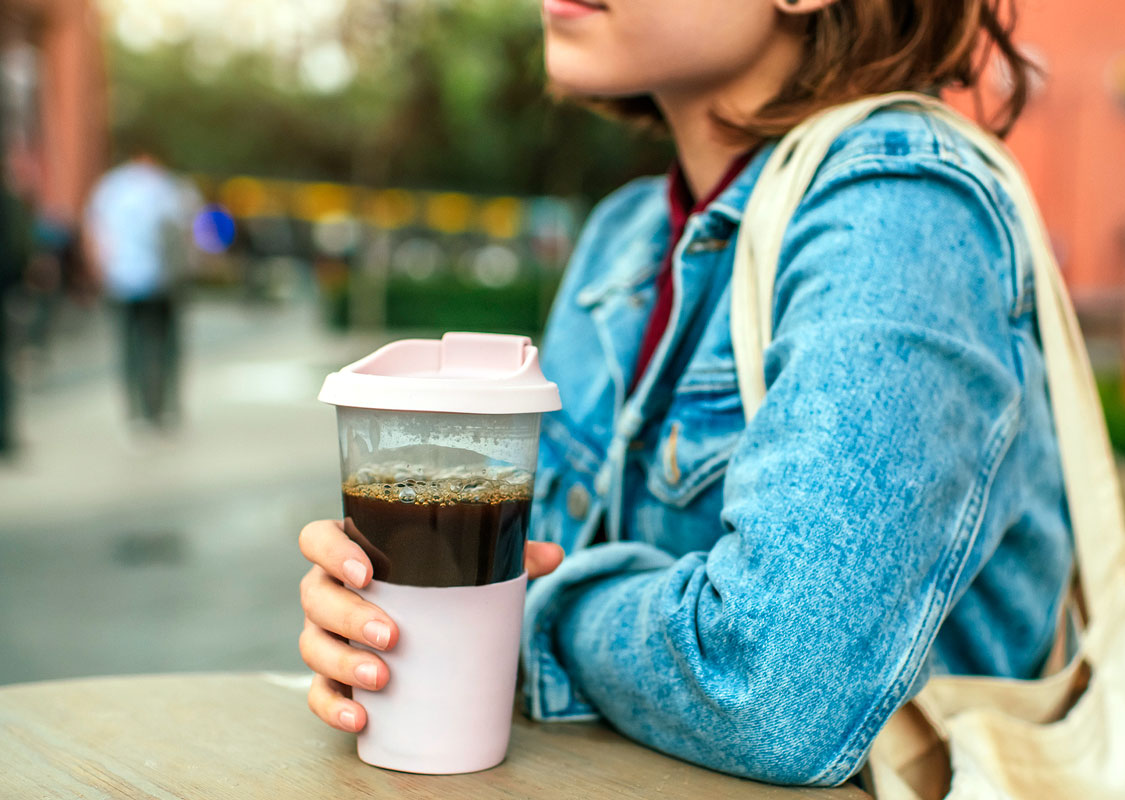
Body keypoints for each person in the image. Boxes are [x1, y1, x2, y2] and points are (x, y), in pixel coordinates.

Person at [298, 0, 1072, 786]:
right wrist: (379, 629)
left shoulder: (901, 206)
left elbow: (770, 692)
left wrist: (529, 614)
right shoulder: (623, 238)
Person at [84, 148, 196, 431]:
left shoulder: (111, 186)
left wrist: (100, 270)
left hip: (122, 279)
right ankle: (163, 408)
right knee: (164, 346)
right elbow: (187, 233)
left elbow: (93, 230)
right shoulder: (169, 186)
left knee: (129, 348)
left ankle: (136, 413)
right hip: (162, 281)